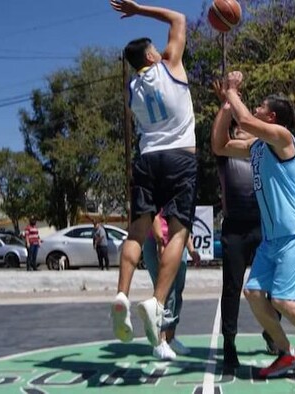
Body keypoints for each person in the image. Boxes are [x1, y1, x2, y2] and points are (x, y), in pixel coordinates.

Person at [211, 71, 295, 381]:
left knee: (282, 299)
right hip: (272, 239)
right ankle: (287, 354)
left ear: (271, 117)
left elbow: (245, 123)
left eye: (259, 106)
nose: (254, 108)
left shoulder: (283, 140)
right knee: (255, 293)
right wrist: (228, 105)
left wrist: (232, 92)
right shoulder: (256, 149)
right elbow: (220, 145)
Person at [109, 0, 198, 348]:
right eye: (155, 50)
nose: (161, 51)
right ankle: (157, 303)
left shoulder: (133, 89)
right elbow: (178, 17)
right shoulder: (171, 66)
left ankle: (122, 294)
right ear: (150, 57)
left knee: (137, 229)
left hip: (147, 160)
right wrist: (137, 9)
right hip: (179, 158)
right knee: (178, 232)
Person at [211, 81, 279, 369]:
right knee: (232, 287)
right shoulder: (227, 154)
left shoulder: (259, 151)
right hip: (235, 229)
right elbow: (218, 136)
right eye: (238, 129)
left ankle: (272, 332)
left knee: (272, 288)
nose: (243, 131)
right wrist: (228, 100)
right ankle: (229, 343)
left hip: (263, 227)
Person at [142, 211, 200, 360]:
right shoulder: (161, 189)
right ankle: (159, 341)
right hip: (157, 239)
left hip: (179, 241)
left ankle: (170, 338)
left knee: (177, 292)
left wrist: (191, 249)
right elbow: (152, 213)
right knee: (166, 292)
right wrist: (160, 242)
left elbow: (184, 222)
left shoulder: (184, 191)